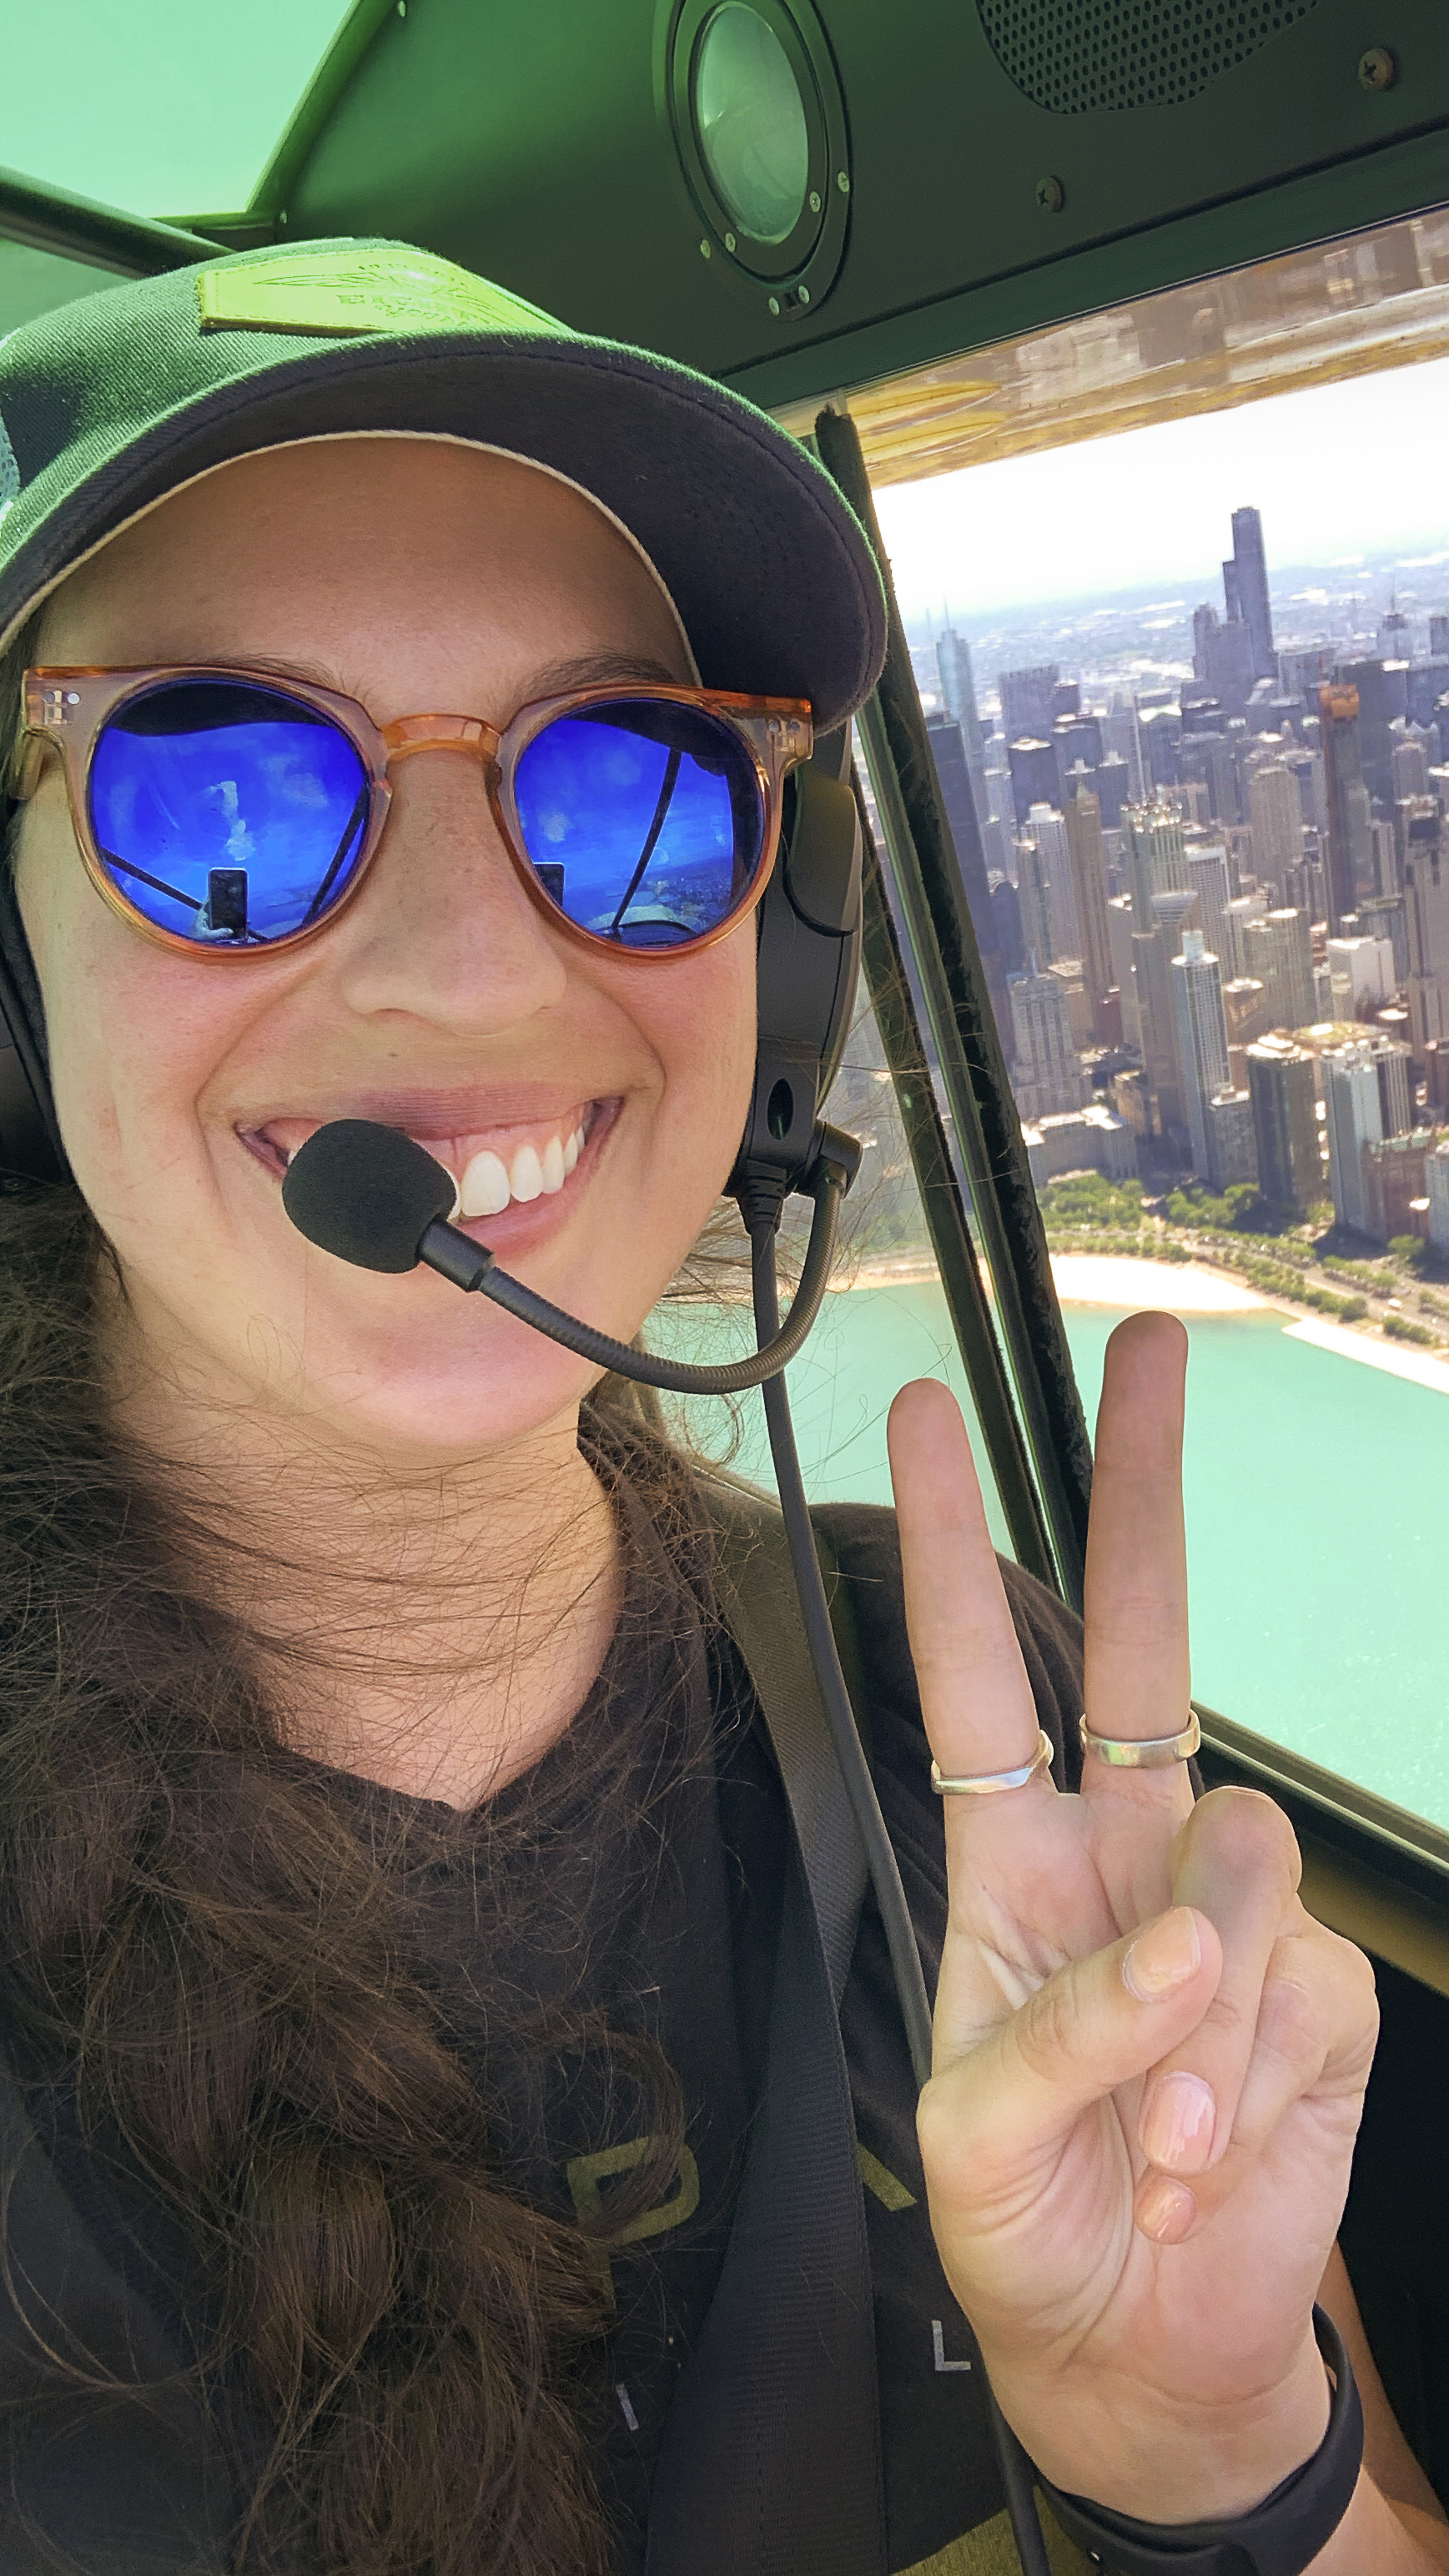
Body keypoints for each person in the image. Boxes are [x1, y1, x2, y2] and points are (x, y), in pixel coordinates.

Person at [0, 235, 1442, 2576]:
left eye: (628, 788)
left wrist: (1208, 2468)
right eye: (220, 789)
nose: (476, 959)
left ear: (779, 962)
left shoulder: (974, 1721)